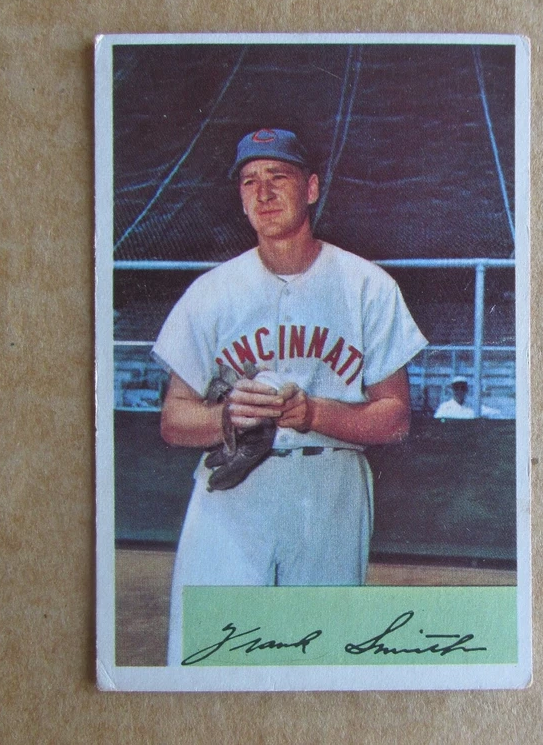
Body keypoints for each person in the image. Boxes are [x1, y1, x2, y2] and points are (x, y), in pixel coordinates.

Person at [152, 128, 428, 665]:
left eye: (278, 176)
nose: (263, 192)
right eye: (249, 181)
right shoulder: (210, 292)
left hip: (329, 488)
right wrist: (225, 417)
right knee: (211, 655)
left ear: (311, 188)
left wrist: (315, 412)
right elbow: (173, 419)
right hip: (233, 492)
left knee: (318, 657)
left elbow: (395, 417)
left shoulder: (367, 286)